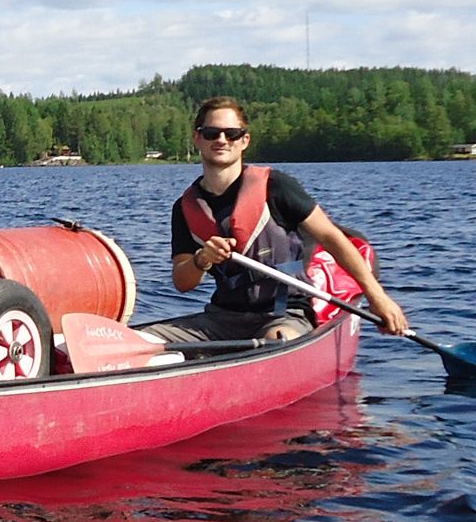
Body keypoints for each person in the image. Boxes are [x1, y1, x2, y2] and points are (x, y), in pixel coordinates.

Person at [142, 96, 410, 343]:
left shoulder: (276, 187)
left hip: (284, 315)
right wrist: (202, 259)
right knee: (139, 341)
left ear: (244, 140)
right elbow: (182, 282)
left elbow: (331, 238)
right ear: (197, 139)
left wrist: (378, 297)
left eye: (231, 133)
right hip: (221, 318)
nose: (222, 140)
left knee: (275, 339)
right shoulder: (184, 207)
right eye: (211, 133)